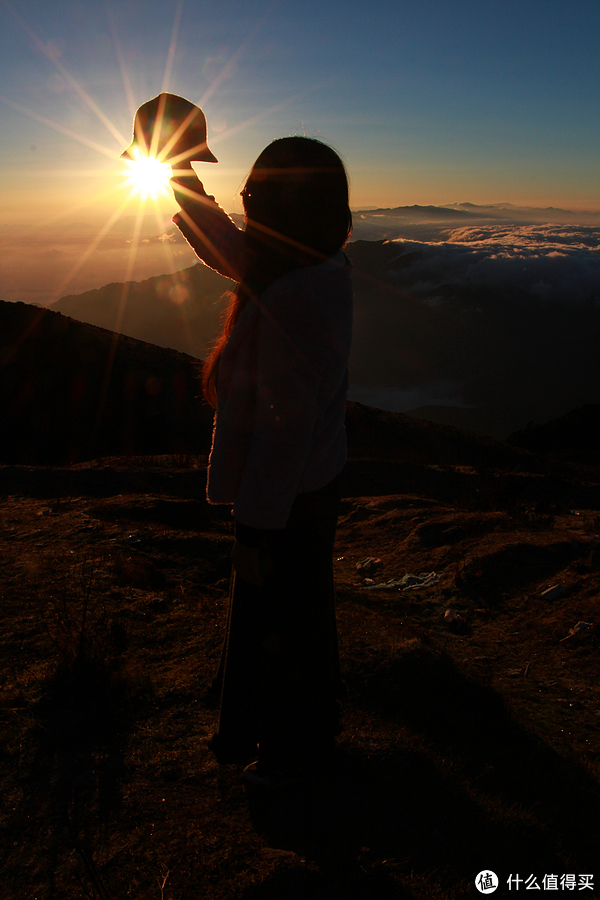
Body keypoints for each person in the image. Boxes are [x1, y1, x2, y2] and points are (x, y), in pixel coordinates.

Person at [170, 136, 353, 788]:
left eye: (255, 198)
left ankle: (289, 755)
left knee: (279, 616)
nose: (244, 208)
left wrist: (255, 527)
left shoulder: (299, 299)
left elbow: (284, 432)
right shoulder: (301, 269)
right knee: (294, 610)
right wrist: (176, 167)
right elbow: (220, 242)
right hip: (309, 485)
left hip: (290, 498)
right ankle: (297, 731)